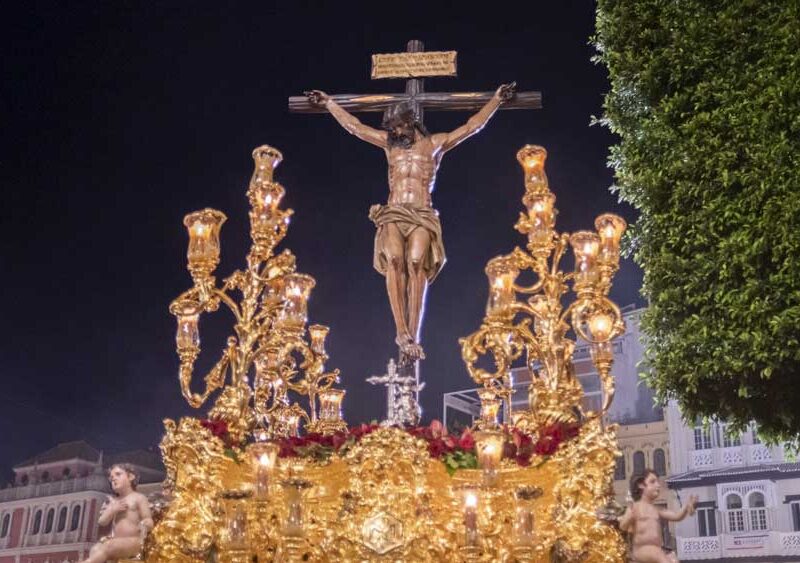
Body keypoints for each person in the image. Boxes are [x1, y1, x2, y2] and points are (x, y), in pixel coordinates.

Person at [306, 84, 515, 360]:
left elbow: (471, 126)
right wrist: (330, 103)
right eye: (392, 129)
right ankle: (401, 331)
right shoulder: (389, 145)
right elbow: (355, 127)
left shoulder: (434, 144)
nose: (395, 133)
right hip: (394, 211)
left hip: (422, 212)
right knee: (394, 260)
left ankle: (413, 334)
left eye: (399, 127)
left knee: (416, 263)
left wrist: (496, 100)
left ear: (410, 122)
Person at [80, 463, 153, 563]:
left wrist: (146, 524)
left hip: (134, 541)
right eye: (111, 478)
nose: (113, 479)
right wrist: (112, 509)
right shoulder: (113, 501)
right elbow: (102, 521)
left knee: (108, 546)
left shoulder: (139, 498)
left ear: (131, 477)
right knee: (95, 549)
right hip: (116, 540)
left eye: (118, 474)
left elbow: (147, 517)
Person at [619, 469, 697, 563]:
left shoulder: (656, 509)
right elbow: (622, 525)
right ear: (641, 485)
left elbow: (676, 516)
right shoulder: (635, 508)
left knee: (673, 560)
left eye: (658, 482)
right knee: (660, 556)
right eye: (652, 482)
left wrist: (686, 507)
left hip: (656, 549)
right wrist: (630, 517)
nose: (658, 485)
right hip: (642, 549)